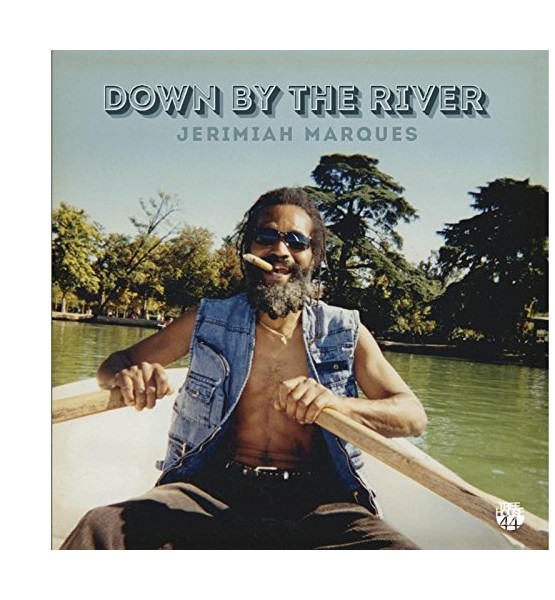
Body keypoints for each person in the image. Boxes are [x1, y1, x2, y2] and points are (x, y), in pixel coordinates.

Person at [61, 187, 427, 550]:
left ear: (313, 257)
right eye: (266, 237)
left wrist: (338, 405)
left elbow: (412, 416)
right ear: (248, 250)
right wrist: (128, 376)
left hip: (317, 501)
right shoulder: (208, 319)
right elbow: (116, 363)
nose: (280, 250)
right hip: (210, 491)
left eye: (296, 241)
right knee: (101, 527)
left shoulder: (345, 330)